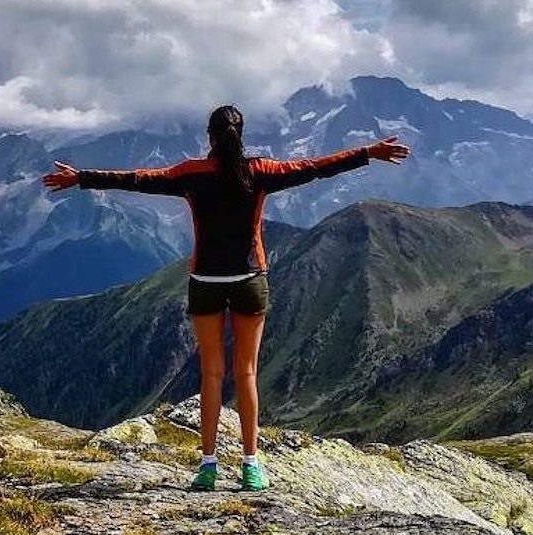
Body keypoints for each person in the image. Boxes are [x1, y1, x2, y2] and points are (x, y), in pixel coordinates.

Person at [42, 104, 409, 491]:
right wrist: (368, 152)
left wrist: (81, 177)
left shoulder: (191, 174)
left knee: (211, 374)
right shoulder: (261, 171)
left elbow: (138, 179)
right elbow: (315, 168)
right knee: (247, 372)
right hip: (250, 277)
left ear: (209, 137)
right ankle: (251, 466)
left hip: (206, 280)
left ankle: (208, 466)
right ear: (241, 134)